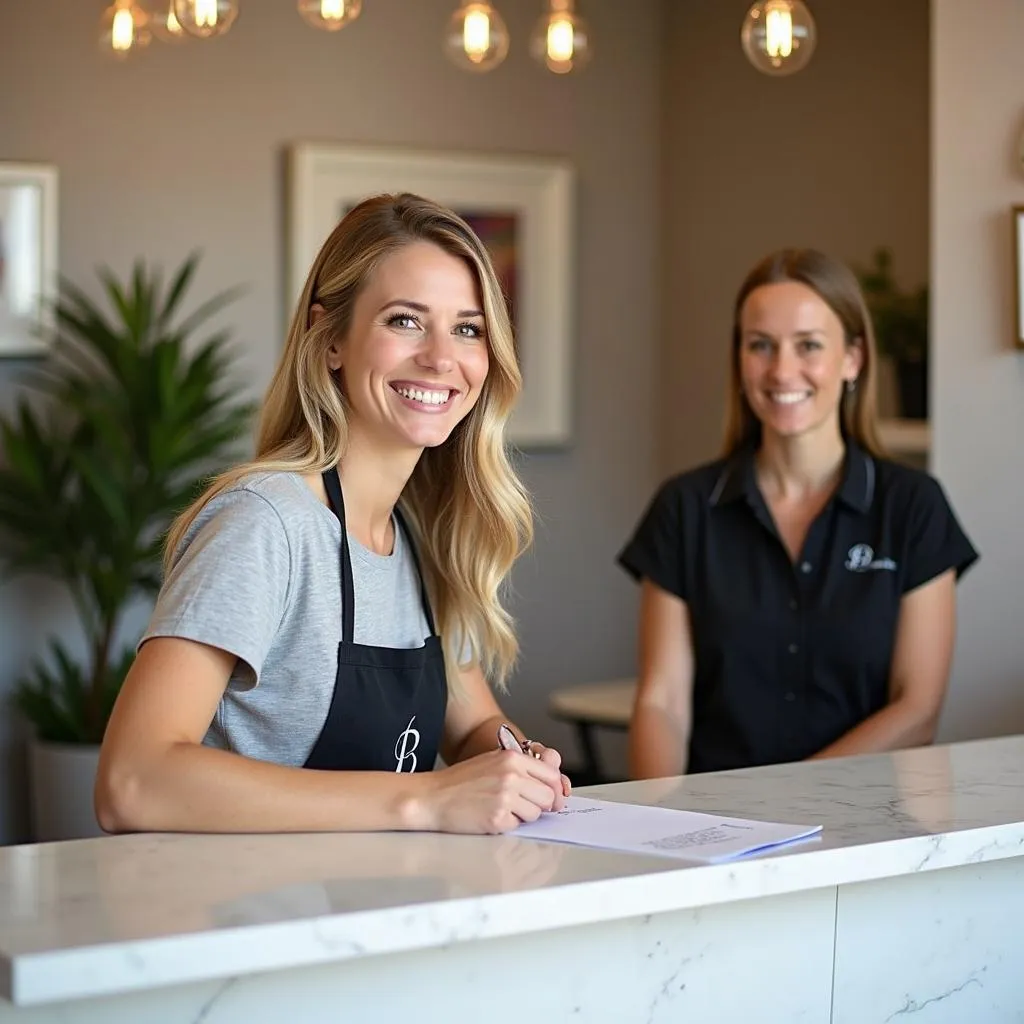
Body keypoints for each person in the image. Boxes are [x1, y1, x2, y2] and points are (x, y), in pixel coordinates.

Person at [95, 193, 570, 835]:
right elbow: (133, 781)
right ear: (331, 341)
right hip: (244, 919)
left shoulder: (420, 535)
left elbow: (473, 727)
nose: (440, 357)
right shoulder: (263, 523)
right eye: (405, 321)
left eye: (467, 328)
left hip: (369, 913)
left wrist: (519, 763)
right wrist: (424, 800)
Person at [618, 248, 979, 778]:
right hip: (718, 832)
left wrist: (787, 805)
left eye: (808, 345)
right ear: (739, 359)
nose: (782, 369)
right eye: (760, 345)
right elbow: (661, 703)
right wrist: (662, 827)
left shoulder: (913, 507)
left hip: (870, 832)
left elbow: (916, 709)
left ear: (852, 358)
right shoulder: (685, 507)